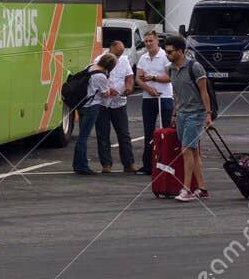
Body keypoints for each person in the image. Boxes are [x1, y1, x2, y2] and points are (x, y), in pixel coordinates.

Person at [165, 35, 213, 201]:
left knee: (186, 150)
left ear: (180, 51)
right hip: (182, 114)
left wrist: (208, 114)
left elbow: (204, 92)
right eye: (166, 51)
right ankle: (202, 188)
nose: (167, 54)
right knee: (193, 152)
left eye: (170, 52)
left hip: (196, 113)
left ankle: (186, 189)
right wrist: (174, 113)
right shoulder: (170, 69)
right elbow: (177, 94)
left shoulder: (195, 67)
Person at [93, 38, 138, 174]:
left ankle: (128, 164)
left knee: (124, 134)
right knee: (102, 134)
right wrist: (107, 90)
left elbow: (129, 77)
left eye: (120, 54)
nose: (118, 57)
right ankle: (106, 164)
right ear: (110, 49)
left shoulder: (124, 60)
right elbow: (96, 79)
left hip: (119, 102)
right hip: (103, 103)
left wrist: (129, 88)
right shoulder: (99, 60)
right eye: (116, 54)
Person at [72, 52, 118, 176]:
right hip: (92, 107)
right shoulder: (101, 76)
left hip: (82, 106)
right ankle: (82, 166)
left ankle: (77, 164)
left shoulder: (90, 67)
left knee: (82, 135)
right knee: (83, 137)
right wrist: (110, 91)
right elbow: (104, 94)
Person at [135, 30, 174, 176]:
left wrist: (154, 79)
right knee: (148, 131)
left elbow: (170, 77)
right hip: (148, 98)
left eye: (151, 41)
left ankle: (166, 163)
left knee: (166, 130)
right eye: (146, 41)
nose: (148, 44)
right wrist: (148, 88)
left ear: (157, 40)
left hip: (164, 97)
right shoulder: (143, 58)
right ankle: (148, 165)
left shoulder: (165, 56)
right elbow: (138, 78)